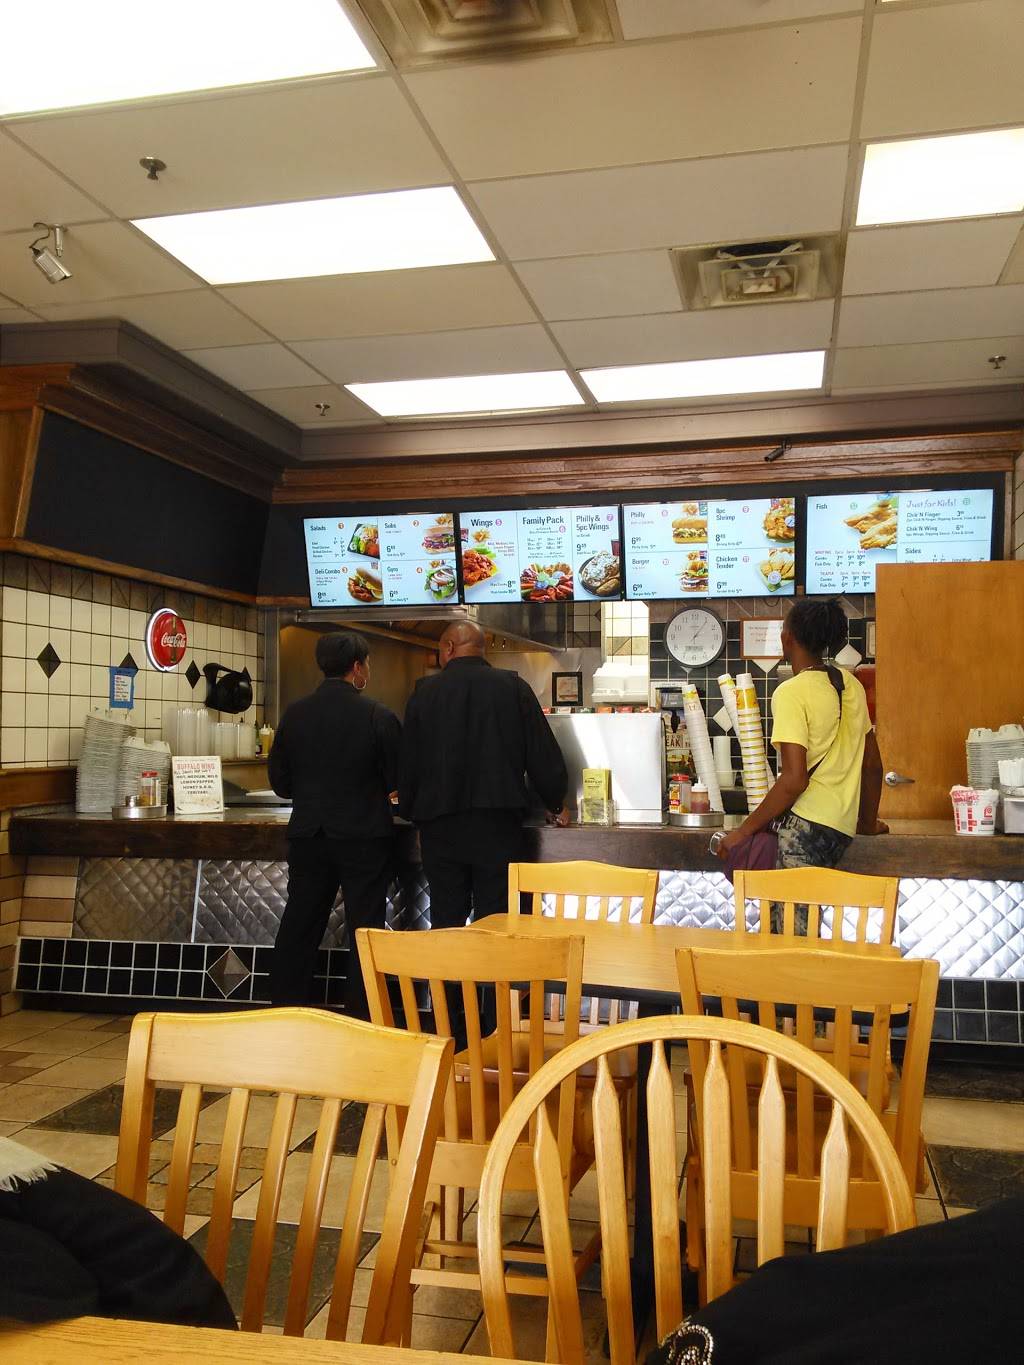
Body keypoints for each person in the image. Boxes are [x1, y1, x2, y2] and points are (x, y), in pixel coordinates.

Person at [399, 621, 570, 929]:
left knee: (446, 920)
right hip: (498, 825)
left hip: (440, 825)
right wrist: (555, 801)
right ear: (483, 649)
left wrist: (412, 814)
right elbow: (541, 752)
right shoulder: (514, 688)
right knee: (495, 919)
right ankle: (491, 962)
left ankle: (447, 963)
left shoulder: (423, 693)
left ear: (449, 647)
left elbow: (410, 762)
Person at [268, 631, 401, 1017]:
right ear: (357, 668)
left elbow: (281, 783)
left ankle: (283, 1011)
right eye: (367, 664)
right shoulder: (377, 715)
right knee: (365, 930)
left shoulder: (295, 714)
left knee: (300, 923)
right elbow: (400, 781)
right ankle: (361, 1015)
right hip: (363, 838)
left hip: (309, 835)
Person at [716, 599, 886, 885]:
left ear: (788, 638)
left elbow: (795, 780)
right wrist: (867, 823)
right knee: (809, 912)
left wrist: (742, 831)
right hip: (839, 832)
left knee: (789, 914)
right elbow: (873, 766)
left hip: (803, 830)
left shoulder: (790, 693)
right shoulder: (852, 685)